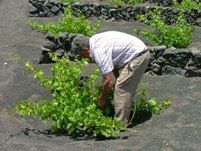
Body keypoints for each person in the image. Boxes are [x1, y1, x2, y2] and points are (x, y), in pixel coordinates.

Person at [70, 31, 150, 127]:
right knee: (118, 84)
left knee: (121, 88)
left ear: (85, 50)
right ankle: (120, 112)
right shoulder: (94, 40)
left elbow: (109, 81)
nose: (84, 58)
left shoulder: (98, 52)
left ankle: (120, 124)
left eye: (82, 56)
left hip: (138, 56)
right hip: (138, 51)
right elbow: (112, 72)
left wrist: (102, 99)